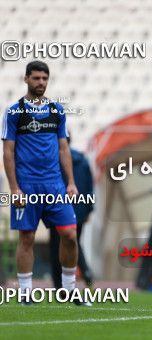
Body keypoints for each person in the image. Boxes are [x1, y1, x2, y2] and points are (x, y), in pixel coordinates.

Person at [2, 61, 79, 305]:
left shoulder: (57, 111)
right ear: (26, 79)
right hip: (27, 185)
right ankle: (25, 293)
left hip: (55, 185)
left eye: (45, 78)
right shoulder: (15, 112)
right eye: (36, 78)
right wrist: (14, 188)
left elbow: (64, 148)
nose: (41, 83)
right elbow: (7, 152)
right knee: (27, 238)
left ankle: (69, 289)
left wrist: (71, 183)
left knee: (69, 235)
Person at [49, 133, 94, 290]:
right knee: (74, 244)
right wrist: (89, 209)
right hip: (80, 209)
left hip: (60, 208)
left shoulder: (54, 159)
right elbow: (90, 187)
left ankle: (59, 285)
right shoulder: (83, 160)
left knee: (57, 248)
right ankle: (86, 273)